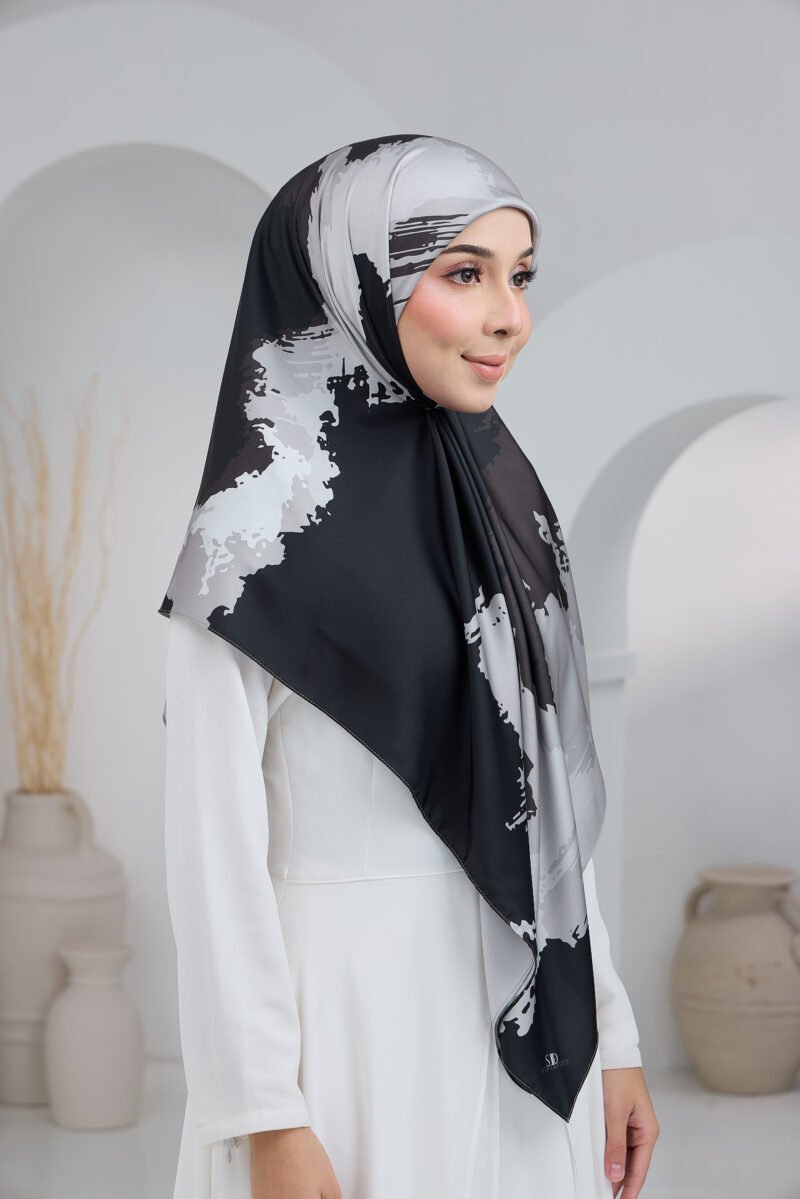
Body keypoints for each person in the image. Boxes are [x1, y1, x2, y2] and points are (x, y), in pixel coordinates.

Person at [159, 134, 660, 1199]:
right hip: (343, 1048)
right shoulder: (246, 549)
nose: (510, 316)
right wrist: (266, 1114)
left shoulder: (504, 510)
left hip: (525, 1040)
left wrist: (612, 1030)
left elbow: (543, 808)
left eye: (519, 276)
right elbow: (211, 859)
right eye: (464, 273)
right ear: (348, 283)